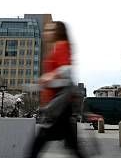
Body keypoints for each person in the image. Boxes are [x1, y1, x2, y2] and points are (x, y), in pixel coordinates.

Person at [27, 21, 87, 158]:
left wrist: (49, 76)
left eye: (50, 30)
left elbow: (66, 69)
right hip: (60, 106)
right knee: (73, 147)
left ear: (58, 32)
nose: (46, 33)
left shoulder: (62, 46)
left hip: (59, 106)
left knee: (37, 145)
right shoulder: (57, 47)